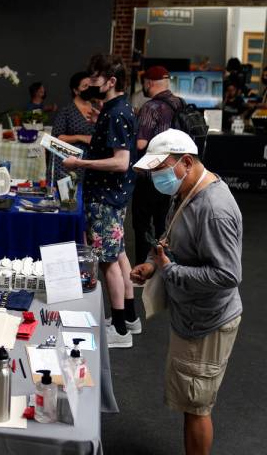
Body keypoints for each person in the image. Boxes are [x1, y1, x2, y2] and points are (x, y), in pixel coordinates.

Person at [131, 129, 242, 455]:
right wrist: (153, 264)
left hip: (207, 322)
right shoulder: (186, 192)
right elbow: (171, 239)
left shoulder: (214, 208)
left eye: (160, 168)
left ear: (187, 162)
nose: (156, 177)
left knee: (197, 406)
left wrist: (169, 270)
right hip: (192, 317)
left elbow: (227, 274)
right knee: (190, 400)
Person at [63, 53, 138, 349]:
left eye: (95, 78)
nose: (90, 83)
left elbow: (121, 162)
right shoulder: (115, 109)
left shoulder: (117, 112)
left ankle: (120, 329)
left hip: (106, 197)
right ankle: (129, 317)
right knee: (117, 256)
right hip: (112, 196)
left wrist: (80, 164)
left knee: (108, 263)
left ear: (111, 82)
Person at [132, 65, 182, 266]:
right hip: (176, 173)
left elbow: (141, 144)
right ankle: (165, 264)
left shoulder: (150, 107)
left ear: (149, 83)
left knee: (142, 223)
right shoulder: (180, 103)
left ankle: (143, 267)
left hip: (151, 175)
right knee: (165, 223)